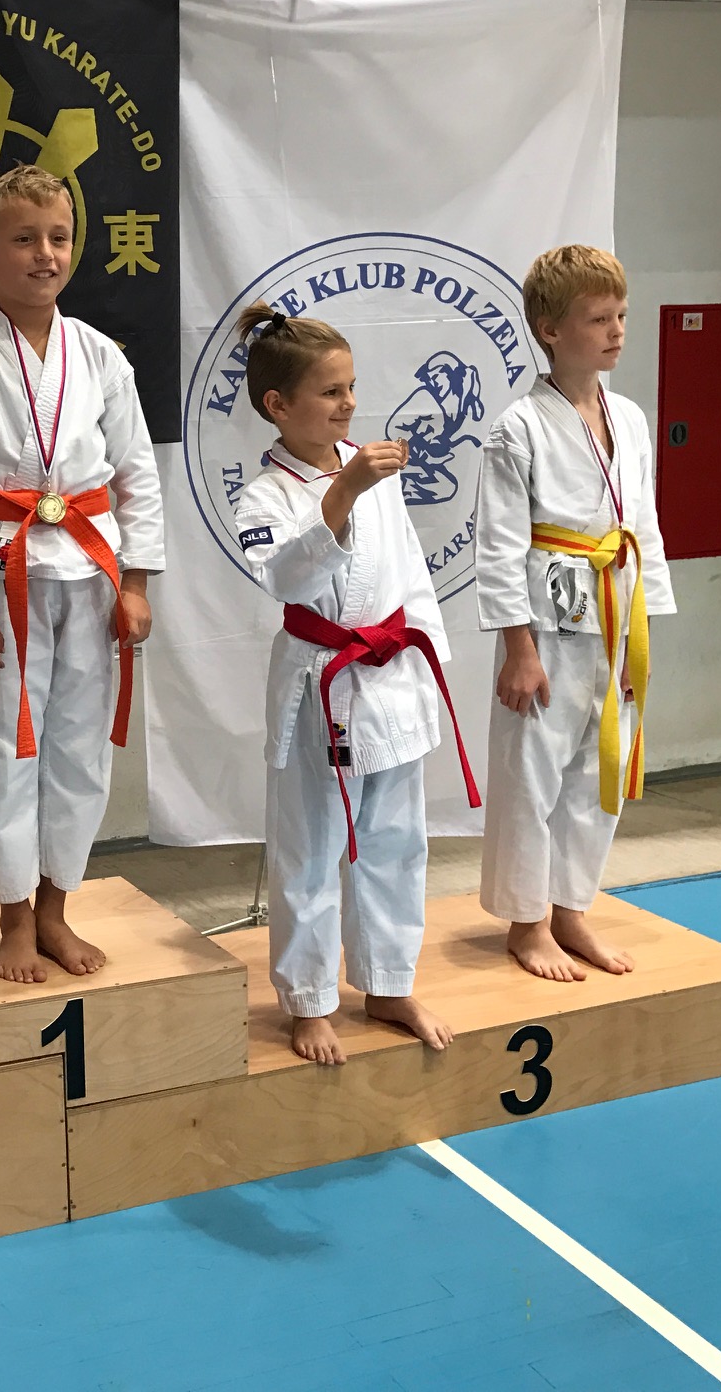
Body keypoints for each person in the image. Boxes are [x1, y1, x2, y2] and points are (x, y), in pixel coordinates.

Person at [0, 165, 163, 984]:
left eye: (58, 237)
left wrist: (137, 583)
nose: (45, 254)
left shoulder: (100, 356)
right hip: (3, 572)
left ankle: (56, 908)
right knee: (7, 745)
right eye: (23, 239)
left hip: (90, 570)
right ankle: (13, 918)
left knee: (81, 745)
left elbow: (137, 472)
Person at [232, 304, 477, 1059]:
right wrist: (343, 493)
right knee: (311, 848)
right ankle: (309, 1000)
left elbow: (411, 573)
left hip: (390, 670)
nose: (348, 404)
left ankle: (389, 982)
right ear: (279, 405)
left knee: (396, 841)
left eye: (350, 387)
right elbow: (286, 579)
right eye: (331, 391)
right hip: (319, 685)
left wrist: (426, 663)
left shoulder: (373, 472)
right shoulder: (264, 495)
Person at [474, 245, 675, 981]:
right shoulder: (518, 426)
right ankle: (526, 924)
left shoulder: (630, 417)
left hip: (617, 615)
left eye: (620, 315)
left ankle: (570, 910)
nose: (616, 330)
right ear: (550, 329)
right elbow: (499, 547)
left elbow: (643, 522)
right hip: (548, 618)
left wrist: (647, 618)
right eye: (598, 319)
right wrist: (518, 650)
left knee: (600, 767)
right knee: (532, 771)